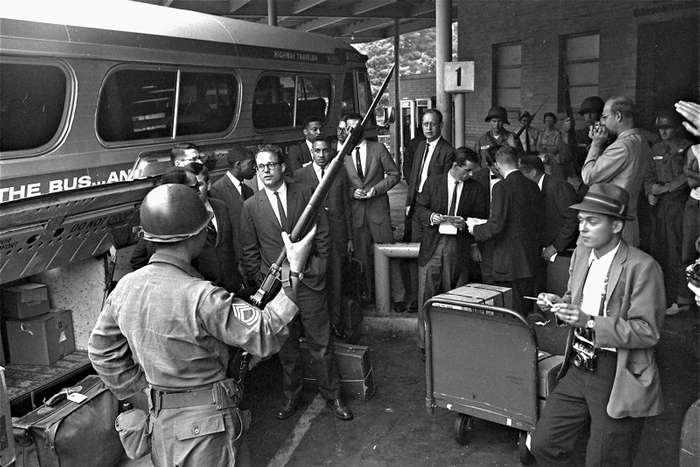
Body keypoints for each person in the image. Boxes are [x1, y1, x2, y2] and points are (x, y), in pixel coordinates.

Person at [89, 183, 316, 467]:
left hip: (162, 425)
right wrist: (294, 271)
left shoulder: (125, 288)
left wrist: (145, 395)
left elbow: (102, 353)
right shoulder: (202, 296)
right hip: (208, 431)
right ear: (196, 235)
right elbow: (266, 332)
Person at [531, 183, 665, 467]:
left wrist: (590, 321)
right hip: (578, 365)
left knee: (605, 459)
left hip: (614, 371)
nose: (583, 229)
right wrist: (558, 302)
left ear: (616, 226)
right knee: (544, 444)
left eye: (593, 221)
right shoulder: (582, 255)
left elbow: (647, 331)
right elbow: (575, 299)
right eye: (581, 221)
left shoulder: (643, 267)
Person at [240, 145, 352, 421]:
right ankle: (292, 397)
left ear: (282, 167)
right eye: (260, 166)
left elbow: (323, 234)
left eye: (271, 164)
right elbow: (250, 252)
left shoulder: (304, 192)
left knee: (321, 343)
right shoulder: (251, 206)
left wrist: (315, 269)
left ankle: (333, 396)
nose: (265, 170)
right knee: (287, 349)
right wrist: (267, 281)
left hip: (309, 282)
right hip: (278, 290)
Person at [415, 147, 488, 349]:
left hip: (458, 246)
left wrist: (466, 223)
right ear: (455, 166)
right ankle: (425, 345)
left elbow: (481, 216)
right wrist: (431, 217)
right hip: (433, 245)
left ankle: (450, 346)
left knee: (454, 296)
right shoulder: (433, 182)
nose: (471, 175)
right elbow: (419, 209)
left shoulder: (476, 188)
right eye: (468, 170)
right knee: (426, 296)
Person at [130, 167, 240, 295]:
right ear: (179, 190)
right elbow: (138, 258)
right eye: (194, 187)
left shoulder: (214, 208)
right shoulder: (161, 226)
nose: (199, 190)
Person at [470, 145, 543, 317]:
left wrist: (475, 229)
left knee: (508, 312)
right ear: (518, 161)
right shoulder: (533, 186)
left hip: (507, 262)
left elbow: (496, 224)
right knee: (523, 310)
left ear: (497, 164)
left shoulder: (500, 187)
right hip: (529, 259)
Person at [293, 137, 354, 338]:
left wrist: (350, 238)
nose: (321, 155)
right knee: (314, 284)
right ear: (312, 152)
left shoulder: (339, 172)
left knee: (336, 282)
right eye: (317, 151)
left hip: (336, 238)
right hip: (312, 240)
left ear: (331, 151)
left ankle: (335, 325)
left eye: (325, 151)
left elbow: (346, 207)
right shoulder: (300, 175)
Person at [342, 113, 403, 309]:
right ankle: (369, 296)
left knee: (388, 251)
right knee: (361, 258)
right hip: (357, 214)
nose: (352, 131)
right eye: (348, 128)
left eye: (356, 127)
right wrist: (353, 192)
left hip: (378, 211)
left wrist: (376, 189)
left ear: (363, 128)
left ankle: (398, 296)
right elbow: (341, 185)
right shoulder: (343, 154)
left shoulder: (378, 148)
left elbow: (394, 175)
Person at [403, 109, 455, 313]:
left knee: (432, 257)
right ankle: (417, 298)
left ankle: (433, 302)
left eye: (432, 124)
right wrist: (409, 203)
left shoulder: (447, 151)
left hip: (433, 212)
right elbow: (414, 177)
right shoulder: (418, 147)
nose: (428, 128)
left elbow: (445, 186)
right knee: (417, 254)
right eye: (425, 124)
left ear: (440, 125)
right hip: (416, 208)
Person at [581, 96, 649, 247]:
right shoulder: (641, 141)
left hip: (611, 225)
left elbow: (588, 176)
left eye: (605, 117)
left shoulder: (621, 147)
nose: (602, 122)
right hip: (628, 220)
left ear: (618, 116)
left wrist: (596, 144)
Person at [643, 111, 693, 315]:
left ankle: (682, 299)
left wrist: (667, 188)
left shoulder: (687, 148)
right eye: (660, 128)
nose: (663, 131)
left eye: (667, 127)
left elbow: (687, 177)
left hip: (679, 204)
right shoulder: (655, 148)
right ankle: (665, 296)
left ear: (677, 128)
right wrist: (650, 191)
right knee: (660, 249)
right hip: (660, 205)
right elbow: (648, 174)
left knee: (679, 250)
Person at [519, 155, 578, 292]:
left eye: (521, 174)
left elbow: (572, 219)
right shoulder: (530, 189)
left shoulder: (559, 187)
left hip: (560, 254)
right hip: (539, 252)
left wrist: (556, 246)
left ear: (532, 172)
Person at [209, 145, 256, 290]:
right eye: (251, 164)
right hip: (234, 262)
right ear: (238, 165)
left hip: (250, 257)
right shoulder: (217, 190)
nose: (255, 168)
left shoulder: (248, 190)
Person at [676, 100, 700, 312]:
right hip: (695, 203)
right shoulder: (694, 150)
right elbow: (690, 179)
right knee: (688, 251)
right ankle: (686, 299)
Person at [536, 112, 569, 180]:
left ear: (554, 122)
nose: (548, 123)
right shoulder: (541, 133)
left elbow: (556, 148)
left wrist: (545, 148)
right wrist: (547, 148)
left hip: (553, 159)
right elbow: (538, 147)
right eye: (547, 121)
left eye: (550, 121)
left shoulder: (557, 133)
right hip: (542, 159)